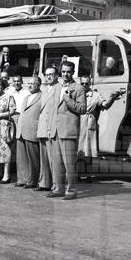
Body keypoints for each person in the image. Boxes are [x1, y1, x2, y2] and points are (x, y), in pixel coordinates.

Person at [47, 60, 86, 200]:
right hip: (55, 130)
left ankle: (71, 191)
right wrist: (49, 127)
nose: (65, 74)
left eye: (68, 72)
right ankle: (58, 189)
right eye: (63, 71)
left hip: (69, 131)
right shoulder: (56, 87)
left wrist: (68, 99)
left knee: (70, 164)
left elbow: (82, 109)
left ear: (73, 72)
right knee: (56, 162)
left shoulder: (79, 88)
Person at [78, 76, 124, 164]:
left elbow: (105, 105)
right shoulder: (77, 94)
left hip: (89, 124)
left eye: (86, 83)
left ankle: (87, 169)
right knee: (77, 150)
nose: (84, 85)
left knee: (88, 150)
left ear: (90, 84)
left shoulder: (96, 95)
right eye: (82, 83)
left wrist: (112, 97)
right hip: (78, 124)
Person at [35, 65, 61, 193]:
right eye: (47, 74)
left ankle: (56, 185)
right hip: (42, 127)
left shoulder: (59, 88)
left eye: (51, 74)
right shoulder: (43, 88)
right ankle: (44, 183)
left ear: (56, 76)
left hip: (52, 127)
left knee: (54, 159)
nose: (49, 77)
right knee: (44, 158)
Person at [15, 76, 42, 188]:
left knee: (33, 158)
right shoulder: (26, 97)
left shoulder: (42, 97)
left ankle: (33, 180)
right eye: (29, 83)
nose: (30, 85)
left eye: (32, 83)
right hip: (21, 130)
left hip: (32, 130)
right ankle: (22, 179)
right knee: (21, 158)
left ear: (38, 85)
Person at [0, 78, 17, 183]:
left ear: (3, 86)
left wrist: (1, 115)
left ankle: (6, 175)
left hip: (5, 125)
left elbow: (13, 110)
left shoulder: (8, 97)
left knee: (5, 149)